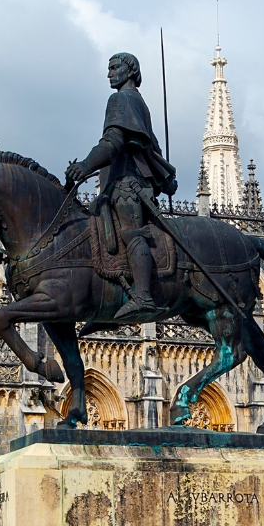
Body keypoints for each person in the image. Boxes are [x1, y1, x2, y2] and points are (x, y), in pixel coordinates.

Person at [63, 52, 179, 324]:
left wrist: (85, 165)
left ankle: (143, 296)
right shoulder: (139, 103)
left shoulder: (121, 99)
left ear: (130, 71)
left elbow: (112, 143)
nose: (109, 73)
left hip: (128, 184)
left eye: (115, 67)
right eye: (109, 68)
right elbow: (154, 148)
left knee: (130, 232)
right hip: (124, 182)